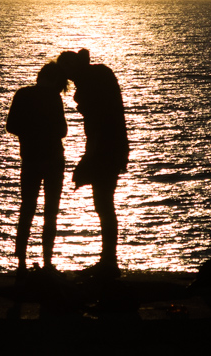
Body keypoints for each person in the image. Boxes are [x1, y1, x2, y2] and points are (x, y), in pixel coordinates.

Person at [56, 49, 128, 278]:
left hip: (106, 149)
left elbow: (100, 122)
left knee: (104, 204)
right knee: (104, 204)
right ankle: (108, 260)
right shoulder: (97, 76)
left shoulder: (91, 81)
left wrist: (89, 158)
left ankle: (109, 262)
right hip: (112, 147)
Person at [6, 62, 68, 276]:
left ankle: (21, 261)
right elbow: (62, 130)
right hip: (53, 159)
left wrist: (29, 132)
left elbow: (11, 126)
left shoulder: (22, 94)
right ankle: (48, 262)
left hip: (30, 159)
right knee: (51, 212)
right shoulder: (53, 97)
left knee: (27, 209)